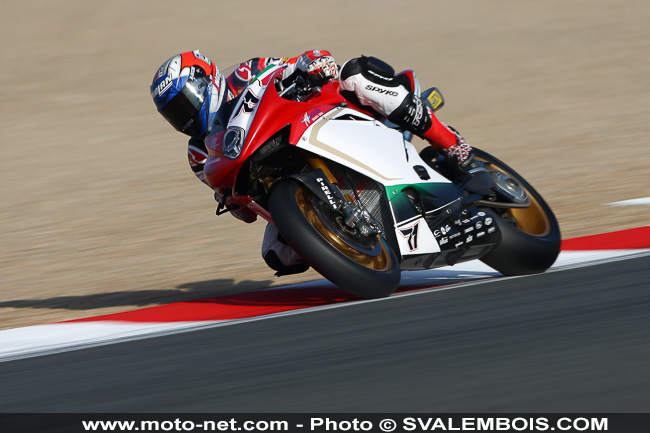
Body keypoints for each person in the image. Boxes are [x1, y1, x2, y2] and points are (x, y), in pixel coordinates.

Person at [151, 49, 477, 276]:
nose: (185, 117)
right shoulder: (199, 155)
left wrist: (310, 64)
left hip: (319, 116)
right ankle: (356, 244)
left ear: (206, 80)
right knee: (279, 255)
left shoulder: (244, 74)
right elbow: (244, 212)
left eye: (184, 103)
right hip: (285, 174)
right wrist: (232, 201)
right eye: (173, 114)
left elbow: (301, 63)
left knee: (355, 74)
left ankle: (451, 144)